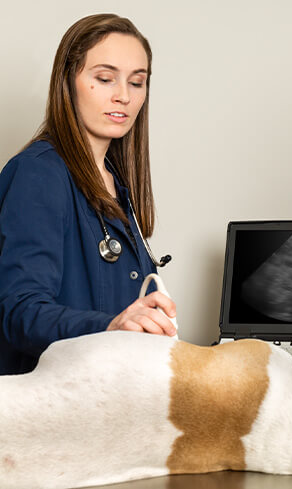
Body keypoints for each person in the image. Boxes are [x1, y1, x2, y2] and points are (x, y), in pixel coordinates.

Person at [0, 14, 177, 375]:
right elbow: (19, 311)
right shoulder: (39, 173)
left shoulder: (116, 184)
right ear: (69, 81)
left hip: (109, 402)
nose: (124, 96)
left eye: (137, 82)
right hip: (51, 411)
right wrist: (111, 326)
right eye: (104, 78)